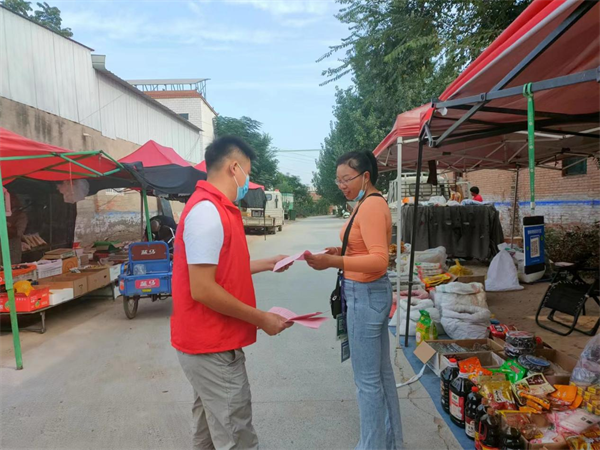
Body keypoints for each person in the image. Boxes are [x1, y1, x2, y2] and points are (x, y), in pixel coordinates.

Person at [170, 136, 293, 450]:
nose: (247, 182)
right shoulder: (207, 213)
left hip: (207, 343)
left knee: (209, 433)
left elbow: (223, 268)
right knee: (236, 437)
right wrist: (261, 318)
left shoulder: (217, 209)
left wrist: (268, 263)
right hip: (212, 344)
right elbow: (203, 288)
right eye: (247, 173)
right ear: (234, 168)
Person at [305, 151, 403, 450]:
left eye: (346, 179)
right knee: (381, 376)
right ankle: (390, 443)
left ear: (366, 176)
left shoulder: (371, 205)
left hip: (366, 293)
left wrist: (334, 262)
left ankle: (372, 445)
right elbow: (364, 248)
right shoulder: (365, 203)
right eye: (338, 180)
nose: (342, 185)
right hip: (366, 293)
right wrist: (340, 251)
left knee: (367, 382)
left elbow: (379, 260)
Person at [6, 195, 28, 264]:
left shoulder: (21, 215)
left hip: (12, 251)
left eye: (12, 200)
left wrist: (5, 225)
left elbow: (18, 233)